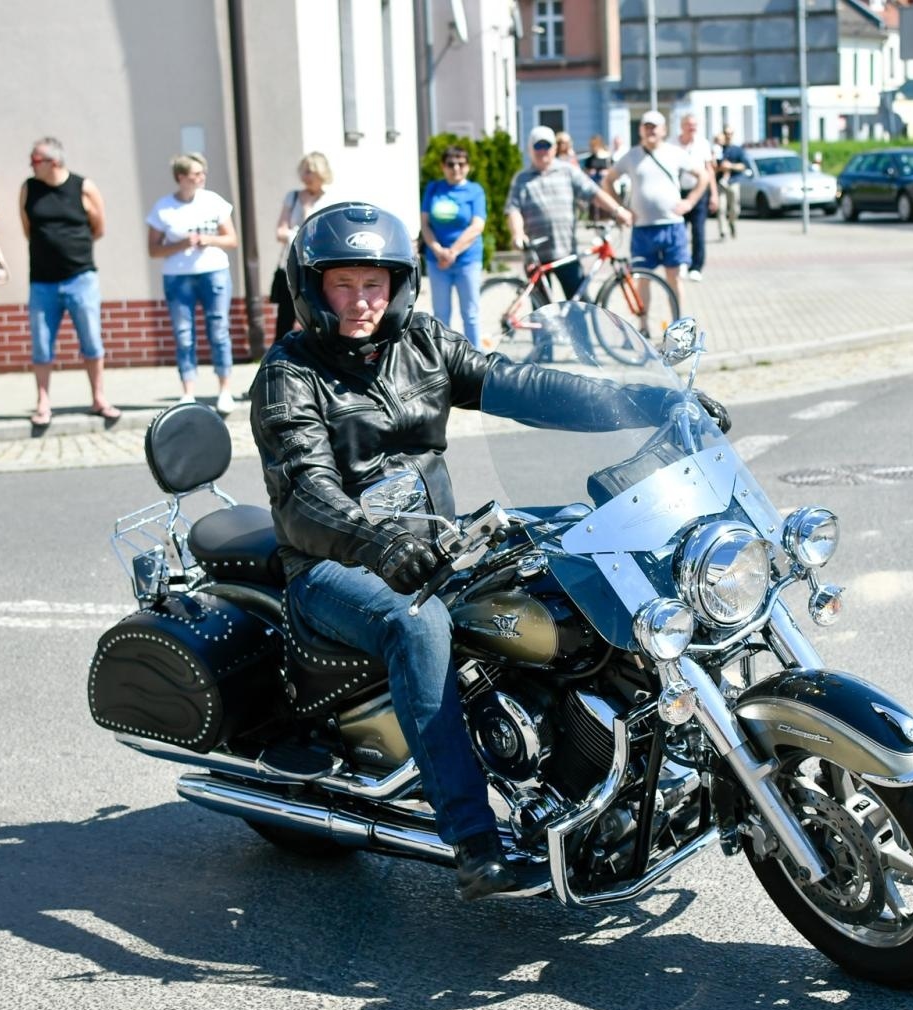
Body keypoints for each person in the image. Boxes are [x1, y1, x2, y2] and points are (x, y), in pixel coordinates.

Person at [247, 201, 731, 901]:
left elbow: (521, 384)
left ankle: (626, 749)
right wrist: (376, 542)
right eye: (343, 286)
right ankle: (473, 838)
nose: (361, 302)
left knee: (580, 531)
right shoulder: (289, 374)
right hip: (333, 563)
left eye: (374, 285)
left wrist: (644, 403)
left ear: (399, 284)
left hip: (436, 541)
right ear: (313, 288)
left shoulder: (421, 342)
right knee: (417, 624)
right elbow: (304, 493)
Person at [19, 136, 119, 427]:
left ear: (55, 162)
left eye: (36, 160)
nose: (31, 165)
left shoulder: (83, 186)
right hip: (42, 281)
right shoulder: (29, 189)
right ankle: (43, 403)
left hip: (80, 277)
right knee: (41, 345)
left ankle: (99, 398)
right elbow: (28, 229)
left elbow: (98, 227)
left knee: (91, 341)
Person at [147, 152, 240, 412]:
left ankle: (225, 390)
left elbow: (232, 240)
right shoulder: (163, 207)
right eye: (195, 174)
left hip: (214, 271)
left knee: (219, 329)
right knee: (184, 334)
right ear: (181, 177)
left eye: (203, 172)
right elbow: (153, 250)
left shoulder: (214, 202)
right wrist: (179, 244)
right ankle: (188, 392)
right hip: (178, 276)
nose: (202, 177)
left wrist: (207, 240)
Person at [504, 125, 631, 304]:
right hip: (536, 254)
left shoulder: (568, 171)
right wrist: (518, 234)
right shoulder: (521, 179)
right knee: (542, 314)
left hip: (566, 252)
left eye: (546, 146)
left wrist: (618, 210)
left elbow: (594, 192)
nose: (543, 151)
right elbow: (513, 209)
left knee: (581, 307)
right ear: (530, 149)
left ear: (554, 148)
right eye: (538, 146)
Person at [606, 111, 709, 324]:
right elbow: (608, 181)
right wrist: (622, 208)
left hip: (671, 226)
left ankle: (678, 327)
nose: (650, 130)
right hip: (643, 229)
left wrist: (689, 202)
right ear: (641, 130)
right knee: (643, 279)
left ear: (663, 130)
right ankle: (643, 326)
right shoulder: (632, 156)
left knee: (674, 277)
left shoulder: (675, 153)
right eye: (646, 126)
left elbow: (703, 177)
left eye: (655, 127)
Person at [420, 145, 487, 348]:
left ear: (468, 166)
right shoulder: (433, 188)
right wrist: (438, 250)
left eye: (461, 164)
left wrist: (453, 252)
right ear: (443, 166)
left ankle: (476, 358)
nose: (456, 168)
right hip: (437, 261)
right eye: (451, 164)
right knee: (440, 315)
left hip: (467, 260)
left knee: (470, 313)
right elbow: (425, 223)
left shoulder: (475, 191)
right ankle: (444, 358)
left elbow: (477, 226)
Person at [271, 152, 335, 343]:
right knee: (285, 317)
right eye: (304, 172)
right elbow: (280, 232)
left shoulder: (329, 199)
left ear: (321, 174)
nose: (306, 177)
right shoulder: (292, 197)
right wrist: (299, 234)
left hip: (316, 266)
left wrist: (305, 215)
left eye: (310, 172)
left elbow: (324, 234)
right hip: (291, 264)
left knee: (318, 315)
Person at [674, 113, 718, 281]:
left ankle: (697, 267)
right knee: (679, 231)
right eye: (689, 125)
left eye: (694, 125)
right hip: (679, 193)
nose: (692, 128)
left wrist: (713, 194)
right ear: (682, 126)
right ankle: (682, 263)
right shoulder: (672, 143)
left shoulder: (702, 144)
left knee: (698, 231)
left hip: (699, 192)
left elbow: (709, 170)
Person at [714, 127, 750, 241]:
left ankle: (732, 223)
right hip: (720, 183)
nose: (728, 136)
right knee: (721, 208)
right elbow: (712, 166)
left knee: (734, 208)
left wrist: (731, 166)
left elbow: (744, 166)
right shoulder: (718, 149)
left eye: (730, 133)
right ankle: (723, 232)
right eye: (726, 133)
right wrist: (720, 167)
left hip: (733, 181)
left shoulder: (738, 150)